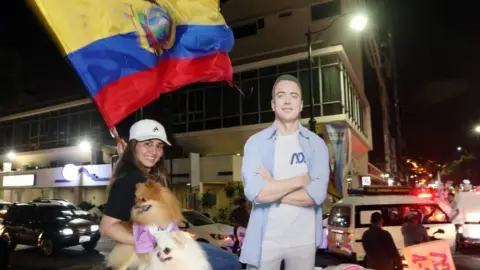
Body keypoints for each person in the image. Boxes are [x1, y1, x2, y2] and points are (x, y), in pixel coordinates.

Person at [100, 119, 240, 270]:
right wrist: (150, 241)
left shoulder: (149, 177)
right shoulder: (128, 180)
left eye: (158, 146)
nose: (154, 151)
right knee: (229, 262)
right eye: (148, 143)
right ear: (134, 146)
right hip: (154, 254)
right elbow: (107, 227)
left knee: (229, 260)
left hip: (170, 244)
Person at [240, 74, 330, 270]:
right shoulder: (256, 143)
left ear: (301, 104)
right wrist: (300, 180)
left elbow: (317, 195)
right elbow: (255, 192)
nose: (287, 101)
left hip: (303, 241)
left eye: (293, 96)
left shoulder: (316, 145)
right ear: (273, 104)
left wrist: (273, 186)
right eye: (281, 95)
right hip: (265, 240)